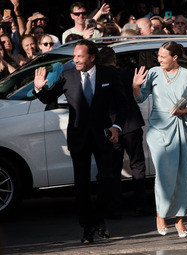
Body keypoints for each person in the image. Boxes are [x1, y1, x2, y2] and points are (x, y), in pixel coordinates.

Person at [33, 39, 127, 244]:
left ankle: (100, 219)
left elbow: (122, 104)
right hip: (79, 137)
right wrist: (39, 89)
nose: (75, 60)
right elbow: (48, 96)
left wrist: (116, 126)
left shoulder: (109, 74)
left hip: (103, 136)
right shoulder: (68, 76)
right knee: (82, 184)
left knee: (107, 179)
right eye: (74, 56)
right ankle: (87, 228)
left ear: (92, 58)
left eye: (79, 56)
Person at [132, 41, 187, 238]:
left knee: (180, 173)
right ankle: (160, 216)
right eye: (158, 56)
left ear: (174, 57)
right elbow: (140, 98)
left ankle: (179, 221)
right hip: (158, 128)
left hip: (179, 125)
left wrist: (182, 111)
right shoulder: (153, 72)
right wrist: (136, 86)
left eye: (163, 56)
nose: (159, 59)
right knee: (163, 174)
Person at [98, 46, 148, 217]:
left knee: (114, 168)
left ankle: (115, 207)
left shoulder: (99, 77)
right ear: (114, 60)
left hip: (111, 128)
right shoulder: (126, 73)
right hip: (131, 125)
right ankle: (140, 205)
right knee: (138, 165)